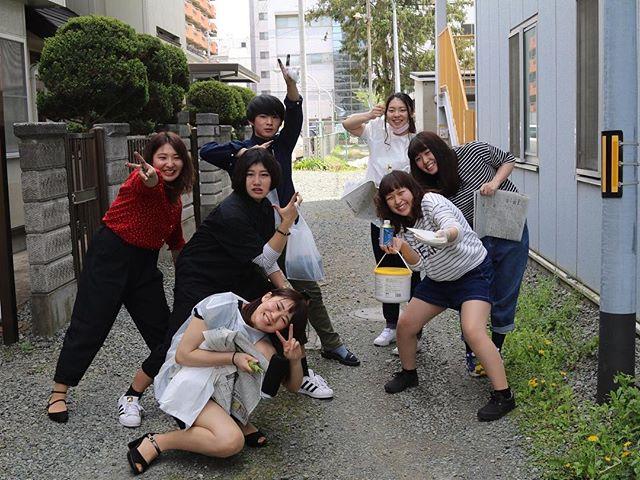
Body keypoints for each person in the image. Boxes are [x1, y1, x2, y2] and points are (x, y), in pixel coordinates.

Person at [199, 58, 360, 396]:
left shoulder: (283, 145)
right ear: (251, 121)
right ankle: (268, 362)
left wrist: (291, 84)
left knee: (305, 291)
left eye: (274, 117)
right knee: (266, 297)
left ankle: (329, 344)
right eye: (263, 116)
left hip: (287, 229)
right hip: (254, 237)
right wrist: (244, 151)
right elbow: (206, 151)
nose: (270, 122)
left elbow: (296, 115)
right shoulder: (240, 151)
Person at [46, 131, 194, 424]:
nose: (169, 163)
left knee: (164, 330)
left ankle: (179, 390)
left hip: (144, 266)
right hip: (110, 256)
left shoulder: (175, 202)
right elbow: (148, 183)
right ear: (150, 160)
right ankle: (59, 391)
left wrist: (187, 280)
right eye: (162, 157)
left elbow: (176, 242)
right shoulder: (139, 180)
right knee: (90, 322)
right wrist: (149, 177)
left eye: (176, 157)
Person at [376, 171, 515, 421]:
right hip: (438, 281)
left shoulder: (430, 202)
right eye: (390, 197)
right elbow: (419, 264)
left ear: (411, 189)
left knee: (472, 331)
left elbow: (454, 228)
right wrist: (402, 248)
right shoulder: (399, 226)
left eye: (401, 192)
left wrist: (445, 235)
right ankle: (409, 373)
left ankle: (504, 396)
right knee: (406, 325)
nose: (398, 201)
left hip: (473, 274)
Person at [126, 288, 308, 475]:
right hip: (186, 378)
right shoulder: (223, 305)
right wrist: (233, 358)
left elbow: (293, 386)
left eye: (283, 320)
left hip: (220, 387)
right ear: (267, 296)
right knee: (230, 442)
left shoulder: (267, 343)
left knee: (265, 354)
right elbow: (183, 356)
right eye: (277, 306)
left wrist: (294, 360)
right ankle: (156, 442)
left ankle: (234, 417)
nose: (274, 316)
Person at [408, 132, 529, 376]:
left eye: (427, 153)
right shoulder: (429, 187)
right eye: (418, 159)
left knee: (505, 291)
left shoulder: (473, 151)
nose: (425, 161)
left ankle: (495, 349)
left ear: (439, 148)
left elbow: (508, 159)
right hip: (475, 237)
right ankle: (473, 350)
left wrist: (494, 183)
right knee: (474, 292)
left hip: (509, 226)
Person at [342, 93, 421, 347]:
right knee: (386, 263)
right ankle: (390, 325)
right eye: (392, 110)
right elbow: (347, 124)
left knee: (412, 268)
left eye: (402, 110)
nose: (397, 115)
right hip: (381, 215)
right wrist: (370, 114)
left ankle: (415, 330)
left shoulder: (416, 140)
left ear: (411, 112)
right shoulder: (376, 130)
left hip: (408, 215)